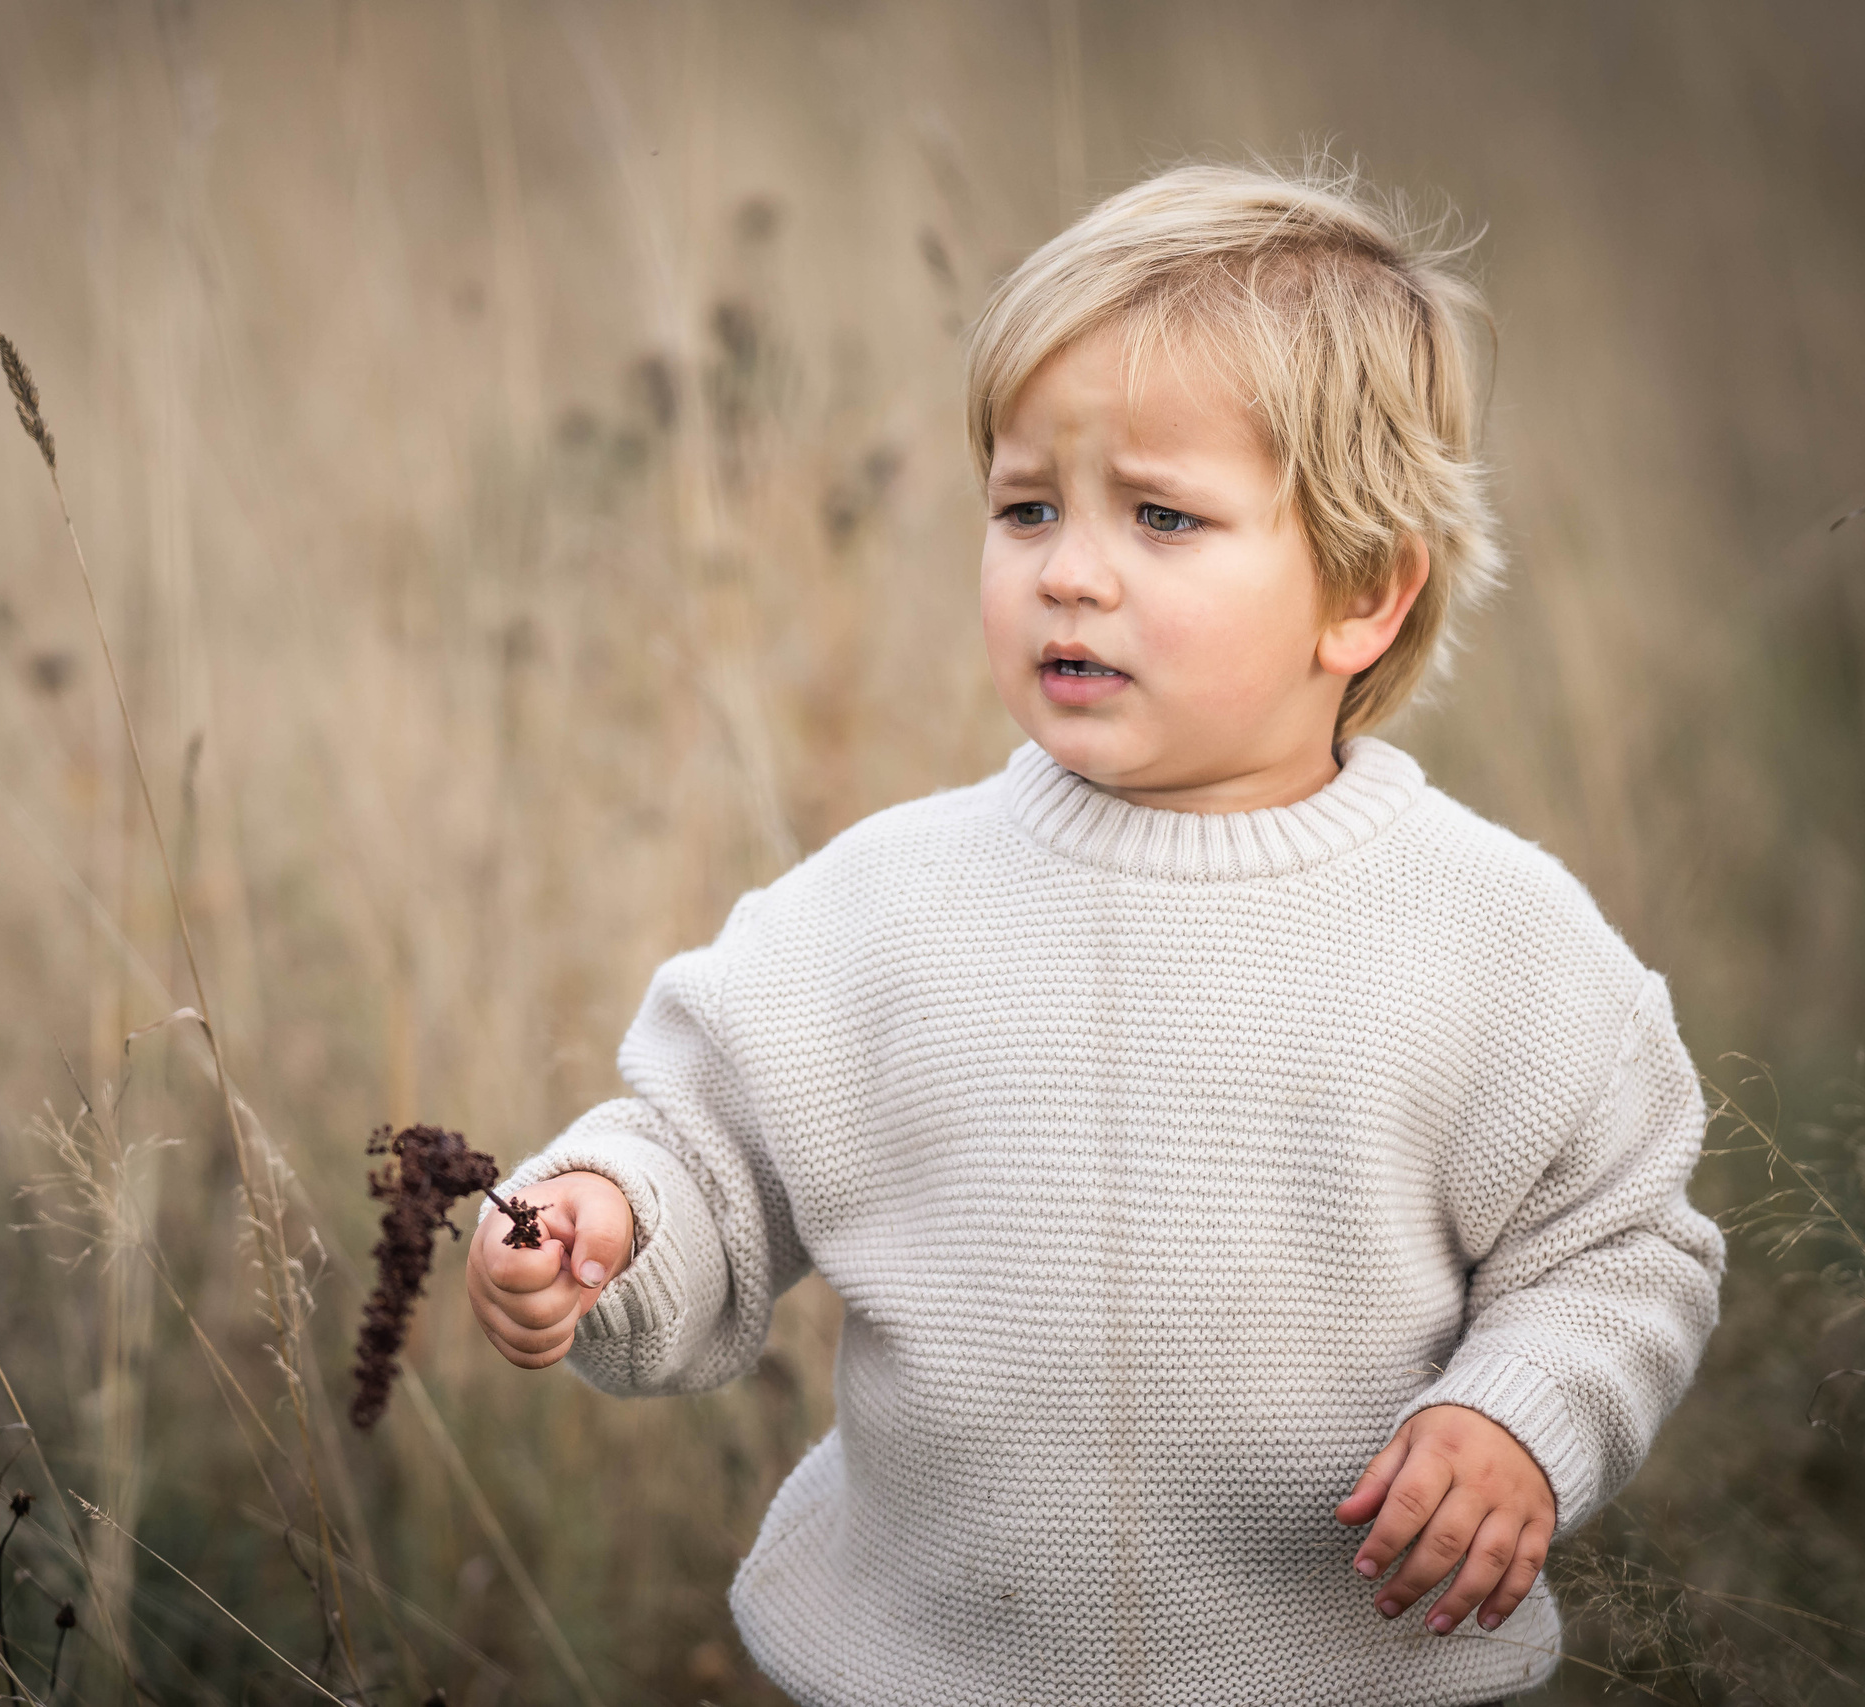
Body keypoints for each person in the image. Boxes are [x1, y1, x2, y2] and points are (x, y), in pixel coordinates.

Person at [464, 159, 1723, 1707]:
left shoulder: (1493, 936)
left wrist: (1519, 1416)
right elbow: (708, 1149)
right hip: (930, 1670)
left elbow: (1615, 1248)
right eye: (1027, 508)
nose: (1067, 569)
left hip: (1345, 1671)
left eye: (1163, 516)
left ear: (1364, 595)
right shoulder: (886, 903)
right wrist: (606, 1217)